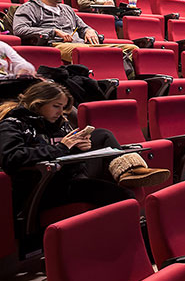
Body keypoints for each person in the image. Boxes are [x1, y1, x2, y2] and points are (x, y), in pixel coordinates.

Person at [0, 81, 170, 219]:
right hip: (42, 188)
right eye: (56, 106)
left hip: (68, 177)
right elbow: (12, 157)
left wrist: (79, 149)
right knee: (122, 196)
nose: (60, 112)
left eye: (63, 107)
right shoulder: (13, 124)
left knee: (101, 135)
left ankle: (130, 171)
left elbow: (65, 154)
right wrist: (62, 147)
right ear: (38, 103)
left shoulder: (58, 122)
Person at [13, 0, 138, 62]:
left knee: (132, 49)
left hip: (80, 44)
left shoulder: (66, 9)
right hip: (55, 45)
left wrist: (89, 31)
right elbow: (19, 29)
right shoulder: (29, 8)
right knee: (88, 51)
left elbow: (83, 27)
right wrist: (53, 31)